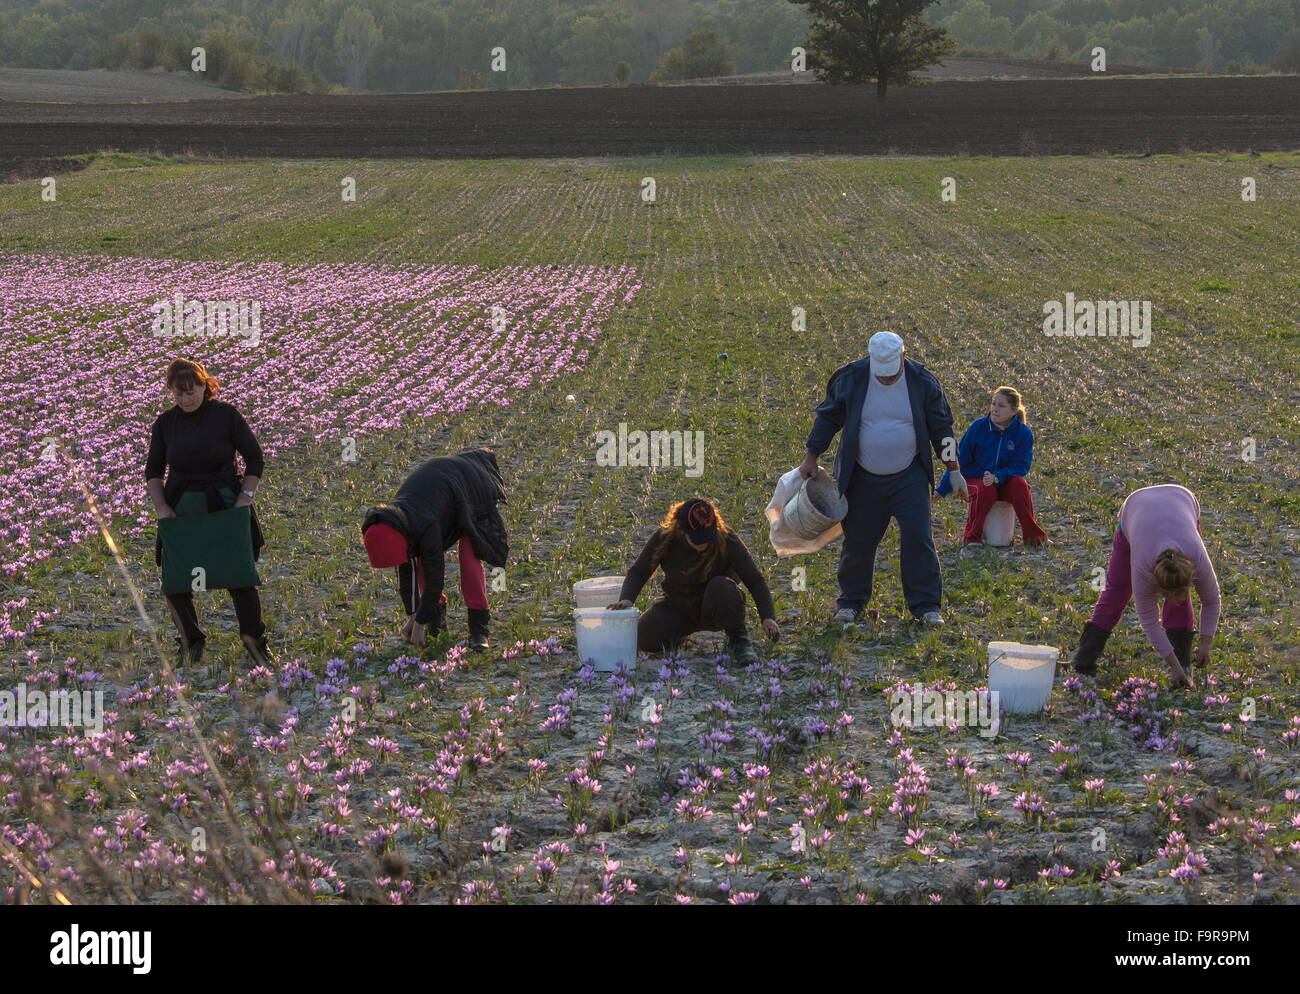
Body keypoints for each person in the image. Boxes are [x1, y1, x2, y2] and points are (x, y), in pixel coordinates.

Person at [800, 331, 960, 627]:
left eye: (891, 372)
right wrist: (812, 455)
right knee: (858, 542)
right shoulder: (851, 378)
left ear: (904, 356)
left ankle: (926, 607)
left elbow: (942, 428)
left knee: (918, 538)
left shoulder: (923, 382)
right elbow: (827, 417)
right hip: (862, 476)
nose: (886, 379)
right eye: (881, 373)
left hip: (909, 476)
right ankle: (851, 602)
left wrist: (954, 468)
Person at [146, 358, 271, 664]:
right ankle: (191, 641)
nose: (186, 398)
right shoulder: (165, 423)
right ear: (171, 392)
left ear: (205, 386)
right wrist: (162, 508)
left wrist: (246, 497)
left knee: (239, 573)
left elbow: (255, 459)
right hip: (181, 506)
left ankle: (255, 644)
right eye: (179, 393)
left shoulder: (225, 415)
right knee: (176, 577)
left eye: (191, 391)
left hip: (225, 503)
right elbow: (153, 471)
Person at [1071, 484, 1220, 689]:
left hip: (1182, 501)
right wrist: (1172, 666)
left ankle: (1183, 662)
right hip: (1134, 509)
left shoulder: (1196, 556)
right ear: (1155, 582)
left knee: (1179, 601)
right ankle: (1085, 656)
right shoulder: (1143, 568)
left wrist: (1205, 645)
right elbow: (1150, 622)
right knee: (1118, 591)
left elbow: (1211, 600)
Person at [362, 448, 507, 651]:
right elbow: (407, 569)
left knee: (470, 556)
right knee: (420, 561)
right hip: (442, 497)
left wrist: (419, 624)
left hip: (471, 491)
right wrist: (413, 616)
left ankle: (478, 627)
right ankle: (437, 623)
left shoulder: (424, 524)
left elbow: (435, 579)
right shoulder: (395, 523)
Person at [607, 498, 780, 666]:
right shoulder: (665, 538)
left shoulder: (727, 539)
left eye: (707, 538)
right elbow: (639, 571)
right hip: (678, 605)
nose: (703, 544)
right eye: (697, 539)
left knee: (722, 585)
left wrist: (768, 617)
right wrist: (627, 598)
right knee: (642, 638)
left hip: (714, 605)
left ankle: (739, 640)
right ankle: (677, 636)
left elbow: (755, 580)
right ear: (681, 530)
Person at [933, 386, 1049, 551]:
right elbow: (959, 461)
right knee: (985, 490)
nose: (994, 409)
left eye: (1001, 406)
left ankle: (1033, 537)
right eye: (993, 403)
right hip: (976, 479)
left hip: (1003, 479)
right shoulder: (978, 427)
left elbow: (1021, 465)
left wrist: (998, 476)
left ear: (1014, 411)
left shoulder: (1023, 433)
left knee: (1020, 486)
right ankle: (972, 537)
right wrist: (942, 489)